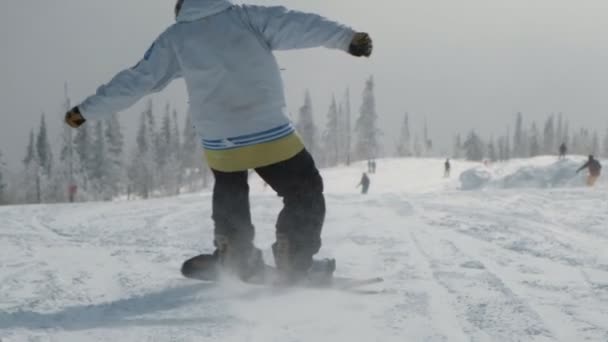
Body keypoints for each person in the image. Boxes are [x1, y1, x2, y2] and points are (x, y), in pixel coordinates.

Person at [64, 0, 372, 284]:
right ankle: (294, 257)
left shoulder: (175, 38)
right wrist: (348, 38)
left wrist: (85, 111)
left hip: (220, 140)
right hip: (267, 130)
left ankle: (233, 252)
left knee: (230, 187)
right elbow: (299, 24)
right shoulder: (247, 17)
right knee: (304, 190)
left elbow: (136, 80)